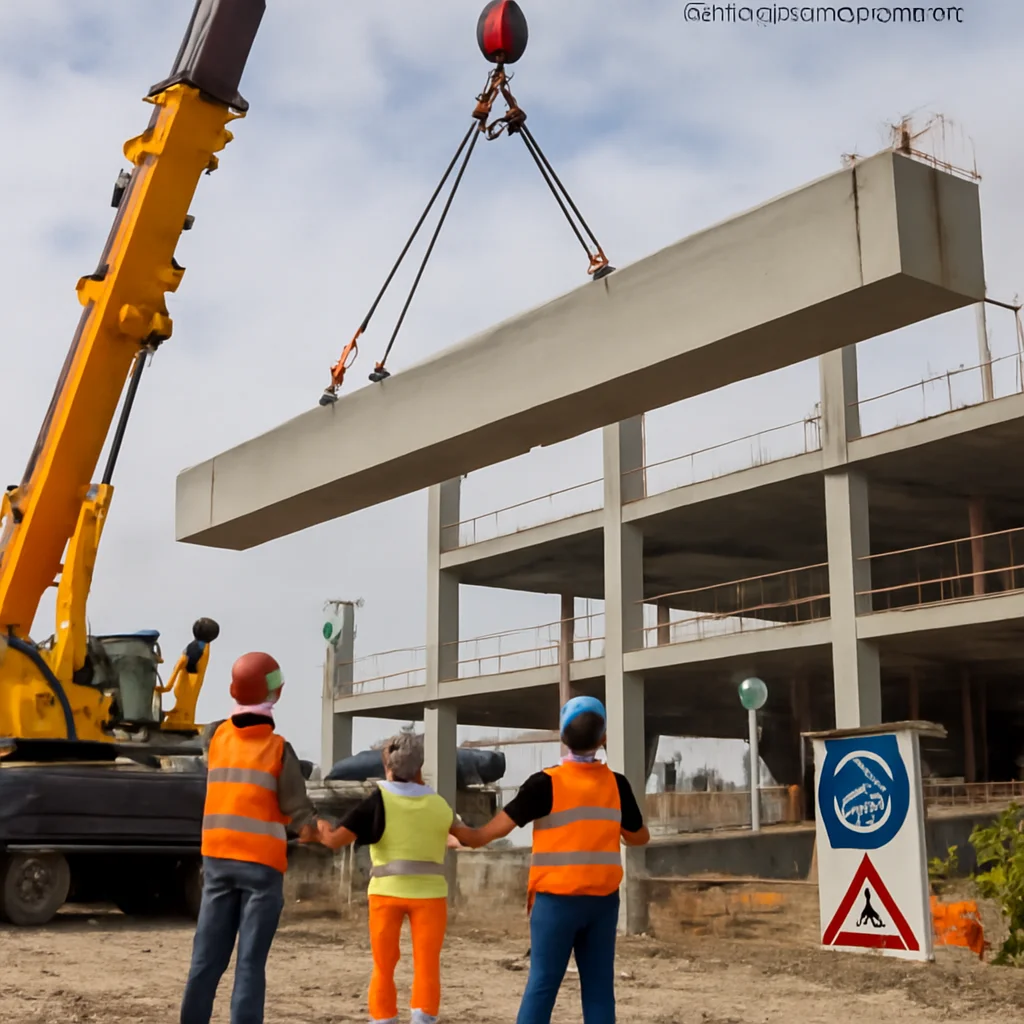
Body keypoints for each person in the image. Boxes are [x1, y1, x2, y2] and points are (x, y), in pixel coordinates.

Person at [450, 696, 650, 1024]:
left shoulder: (544, 784)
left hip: (556, 905)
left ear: (562, 736)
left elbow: (483, 836)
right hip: (602, 903)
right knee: (599, 989)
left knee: (542, 985)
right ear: (603, 739)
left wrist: (451, 826)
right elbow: (639, 838)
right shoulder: (618, 784)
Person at [180, 651, 321, 1024]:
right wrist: (317, 832)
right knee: (249, 965)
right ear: (276, 695)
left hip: (217, 866)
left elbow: (224, 729)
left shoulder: (215, 738)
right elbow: (299, 817)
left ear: (231, 690)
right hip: (261, 871)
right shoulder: (278, 750)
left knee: (206, 960)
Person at [318, 732, 455, 1024]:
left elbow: (333, 840)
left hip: (385, 894)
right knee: (427, 965)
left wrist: (315, 824)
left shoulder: (376, 801)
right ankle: (423, 1019)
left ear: (386, 766)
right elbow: (466, 836)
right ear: (420, 769)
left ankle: (383, 1019)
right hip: (431, 896)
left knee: (383, 965)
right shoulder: (439, 804)